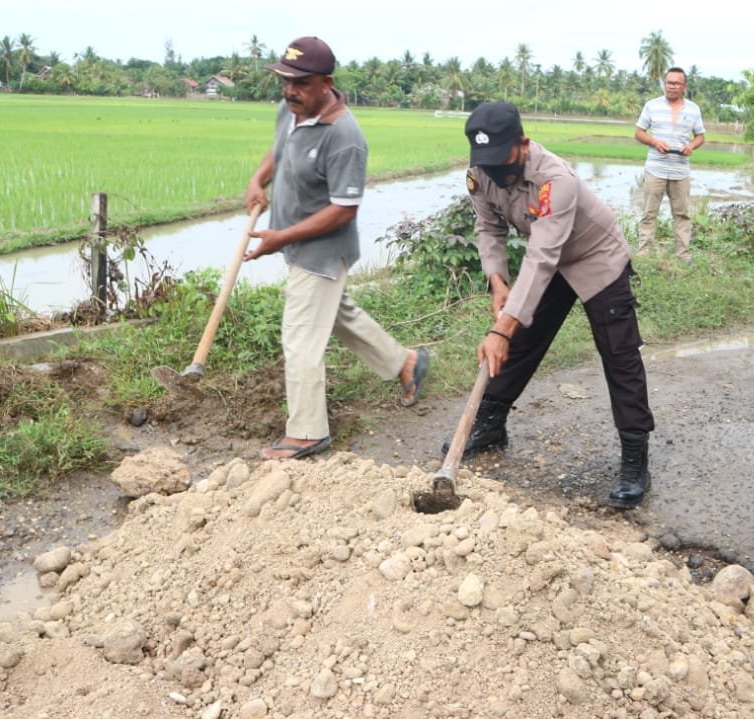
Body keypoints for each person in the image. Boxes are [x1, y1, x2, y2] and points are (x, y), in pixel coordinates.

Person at [452, 101, 656, 509]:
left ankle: (636, 458)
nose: (494, 173)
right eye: (486, 163)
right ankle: (490, 425)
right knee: (523, 340)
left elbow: (542, 254)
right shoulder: (481, 173)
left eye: (501, 161)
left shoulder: (555, 179)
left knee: (619, 354)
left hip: (595, 257)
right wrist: (497, 282)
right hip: (549, 261)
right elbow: (488, 227)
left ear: (523, 145)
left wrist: (499, 328)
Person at [243, 36, 429, 461]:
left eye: (301, 83)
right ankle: (406, 364)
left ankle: (307, 432)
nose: (290, 90)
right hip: (296, 243)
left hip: (321, 251)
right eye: (285, 81)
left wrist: (281, 238)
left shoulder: (344, 137)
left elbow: (344, 210)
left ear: (326, 83)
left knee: (300, 340)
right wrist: (258, 180)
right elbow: (279, 151)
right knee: (339, 315)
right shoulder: (291, 110)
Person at [634, 67, 706, 263]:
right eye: (669, 82)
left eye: (676, 83)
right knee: (649, 213)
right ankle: (643, 254)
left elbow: (700, 137)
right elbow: (639, 133)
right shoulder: (651, 105)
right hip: (655, 169)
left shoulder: (693, 109)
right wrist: (655, 142)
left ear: (684, 87)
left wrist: (691, 146)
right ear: (664, 84)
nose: (672, 86)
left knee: (682, 214)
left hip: (680, 171)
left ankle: (683, 255)